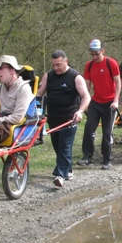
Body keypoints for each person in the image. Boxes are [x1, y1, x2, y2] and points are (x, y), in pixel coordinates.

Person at [36, 50, 91, 188]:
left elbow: (86, 96)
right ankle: (68, 170)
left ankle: (60, 175)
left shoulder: (75, 77)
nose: (56, 68)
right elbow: (39, 94)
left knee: (65, 146)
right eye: (53, 65)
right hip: (53, 118)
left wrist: (80, 111)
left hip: (70, 118)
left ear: (66, 61)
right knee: (58, 147)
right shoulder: (48, 76)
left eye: (58, 65)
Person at [78, 39, 121, 170]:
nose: (95, 57)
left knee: (107, 131)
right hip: (95, 101)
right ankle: (87, 156)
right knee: (89, 128)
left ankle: (107, 159)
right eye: (92, 54)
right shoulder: (89, 65)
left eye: (97, 54)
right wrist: (85, 99)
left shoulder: (111, 63)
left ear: (103, 51)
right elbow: (87, 84)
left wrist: (116, 100)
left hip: (109, 102)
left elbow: (118, 83)